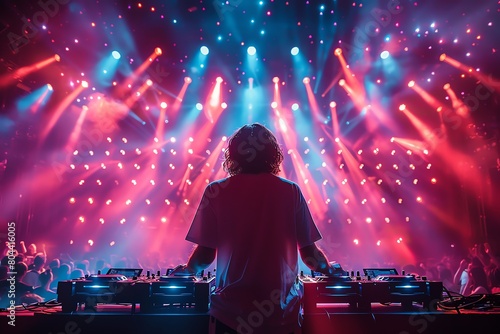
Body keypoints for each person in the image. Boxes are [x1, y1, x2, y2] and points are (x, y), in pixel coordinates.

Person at [170, 123, 340, 334]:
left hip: (230, 314)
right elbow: (309, 255)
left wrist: (186, 271)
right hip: (281, 314)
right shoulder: (290, 191)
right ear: (273, 154)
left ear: (234, 154)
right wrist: (331, 270)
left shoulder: (216, 191)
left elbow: (205, 255)